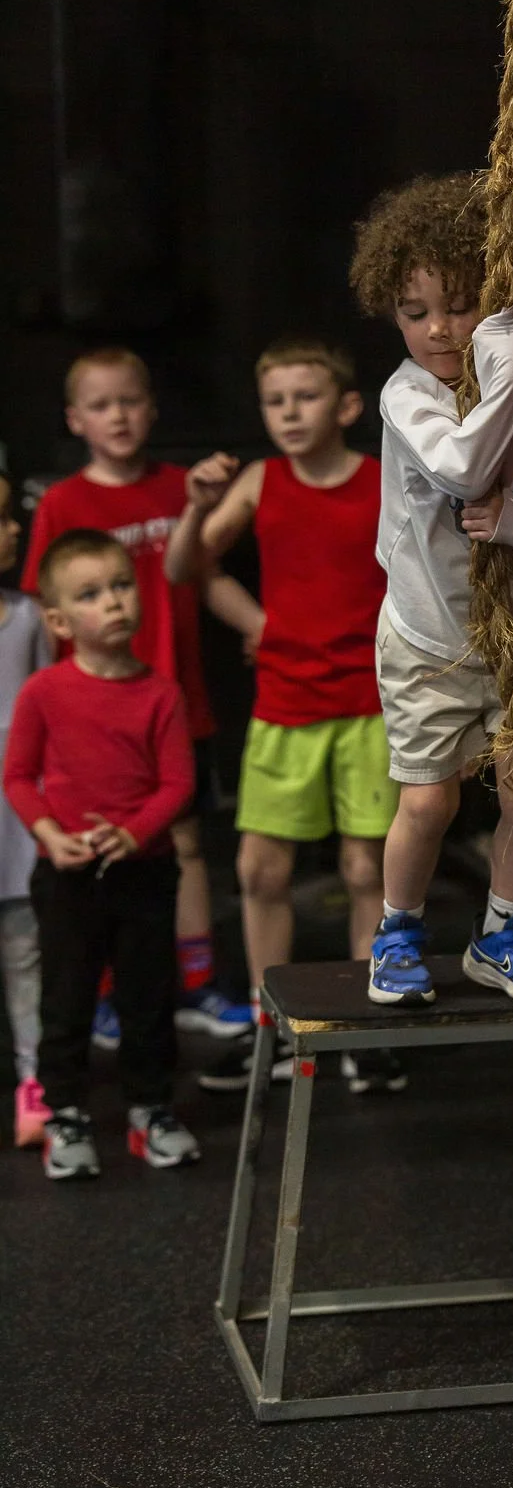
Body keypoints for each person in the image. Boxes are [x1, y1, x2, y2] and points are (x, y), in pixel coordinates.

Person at [347, 172, 513, 1006]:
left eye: (461, 306)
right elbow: (465, 468)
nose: (438, 329)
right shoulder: (407, 395)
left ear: (498, 304)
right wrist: (504, 365)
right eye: (415, 311)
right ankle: (398, 932)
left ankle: (503, 931)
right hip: (432, 638)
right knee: (427, 801)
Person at [164, 338, 404, 1094]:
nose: (289, 413)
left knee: (369, 869)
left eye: (304, 397)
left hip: (370, 703)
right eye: (275, 401)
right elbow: (182, 570)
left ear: (346, 407)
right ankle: (272, 1032)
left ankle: (370, 1032)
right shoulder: (260, 481)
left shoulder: (381, 479)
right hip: (285, 706)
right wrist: (256, 622)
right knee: (258, 871)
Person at [20, 347, 260, 1044]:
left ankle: (195, 984)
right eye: (100, 405)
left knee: (184, 842)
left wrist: (260, 626)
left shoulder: (182, 489)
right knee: (93, 846)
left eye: (129, 400)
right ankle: (99, 994)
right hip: (89, 717)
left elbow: (204, 574)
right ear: (75, 420)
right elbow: (43, 611)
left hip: (174, 702)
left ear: (151, 408)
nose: (117, 416)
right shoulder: (63, 503)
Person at [4, 529, 200, 1178]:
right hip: (67, 876)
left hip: (144, 871)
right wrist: (50, 836)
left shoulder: (160, 693)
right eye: (91, 595)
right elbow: (17, 776)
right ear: (59, 621)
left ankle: (150, 1111)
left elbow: (178, 784)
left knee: (147, 997)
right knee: (67, 1000)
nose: (114, 602)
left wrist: (133, 833)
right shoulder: (44, 693)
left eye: (121, 585)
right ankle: (66, 1113)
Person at [0, 474, 51, 1147]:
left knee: (25, 948)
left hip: (17, 820)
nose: (14, 530)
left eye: (12, 516)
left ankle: (35, 1078)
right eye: (1, 519)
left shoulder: (31, 617)